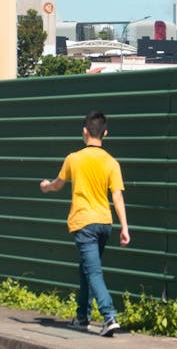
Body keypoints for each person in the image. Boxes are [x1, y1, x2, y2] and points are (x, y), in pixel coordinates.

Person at [40, 110, 130, 337]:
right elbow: (117, 197)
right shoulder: (112, 162)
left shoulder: (74, 158)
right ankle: (82, 316)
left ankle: (109, 316)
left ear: (84, 131)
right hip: (104, 224)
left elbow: (58, 184)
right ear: (105, 133)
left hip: (84, 223)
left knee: (93, 272)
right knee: (87, 270)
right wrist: (125, 228)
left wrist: (46, 186)